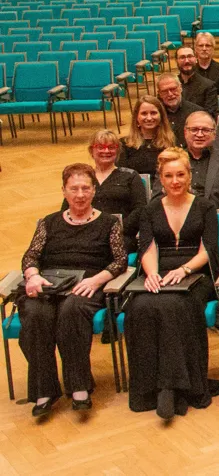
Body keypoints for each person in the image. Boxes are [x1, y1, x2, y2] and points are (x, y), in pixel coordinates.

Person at [19, 164, 126, 418]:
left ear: (94, 190)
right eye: (74, 189)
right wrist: (32, 277)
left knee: (72, 310)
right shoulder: (49, 222)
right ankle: (44, 389)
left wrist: (97, 280)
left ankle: (79, 386)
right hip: (48, 284)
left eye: (85, 188)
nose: (80, 194)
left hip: (87, 285)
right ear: (64, 191)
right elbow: (31, 256)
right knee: (35, 314)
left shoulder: (109, 223)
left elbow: (120, 260)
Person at [126, 148, 219, 419]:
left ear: (190, 175)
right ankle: (150, 388)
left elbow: (209, 250)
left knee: (175, 305)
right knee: (141, 307)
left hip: (195, 272)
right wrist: (153, 274)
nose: (175, 181)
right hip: (158, 269)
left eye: (181, 174)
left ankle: (178, 387)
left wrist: (184, 269)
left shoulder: (205, 206)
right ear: (161, 178)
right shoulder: (150, 209)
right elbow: (147, 246)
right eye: (169, 176)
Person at [86, 130, 146, 245]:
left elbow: (140, 210)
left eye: (111, 147)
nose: (106, 151)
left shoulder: (130, 176)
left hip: (121, 236)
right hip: (87, 234)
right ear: (91, 150)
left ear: (118, 151)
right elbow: (68, 207)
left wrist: (117, 229)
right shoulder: (83, 177)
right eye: (100, 147)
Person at [118, 95, 177, 177]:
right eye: (144, 113)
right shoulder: (124, 144)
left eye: (153, 113)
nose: (149, 118)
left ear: (161, 116)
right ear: (136, 117)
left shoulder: (172, 141)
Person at [174, 47, 218, 113]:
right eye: (182, 57)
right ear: (176, 61)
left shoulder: (209, 86)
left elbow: (210, 115)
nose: (187, 61)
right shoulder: (170, 86)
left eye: (190, 56)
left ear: (196, 58)